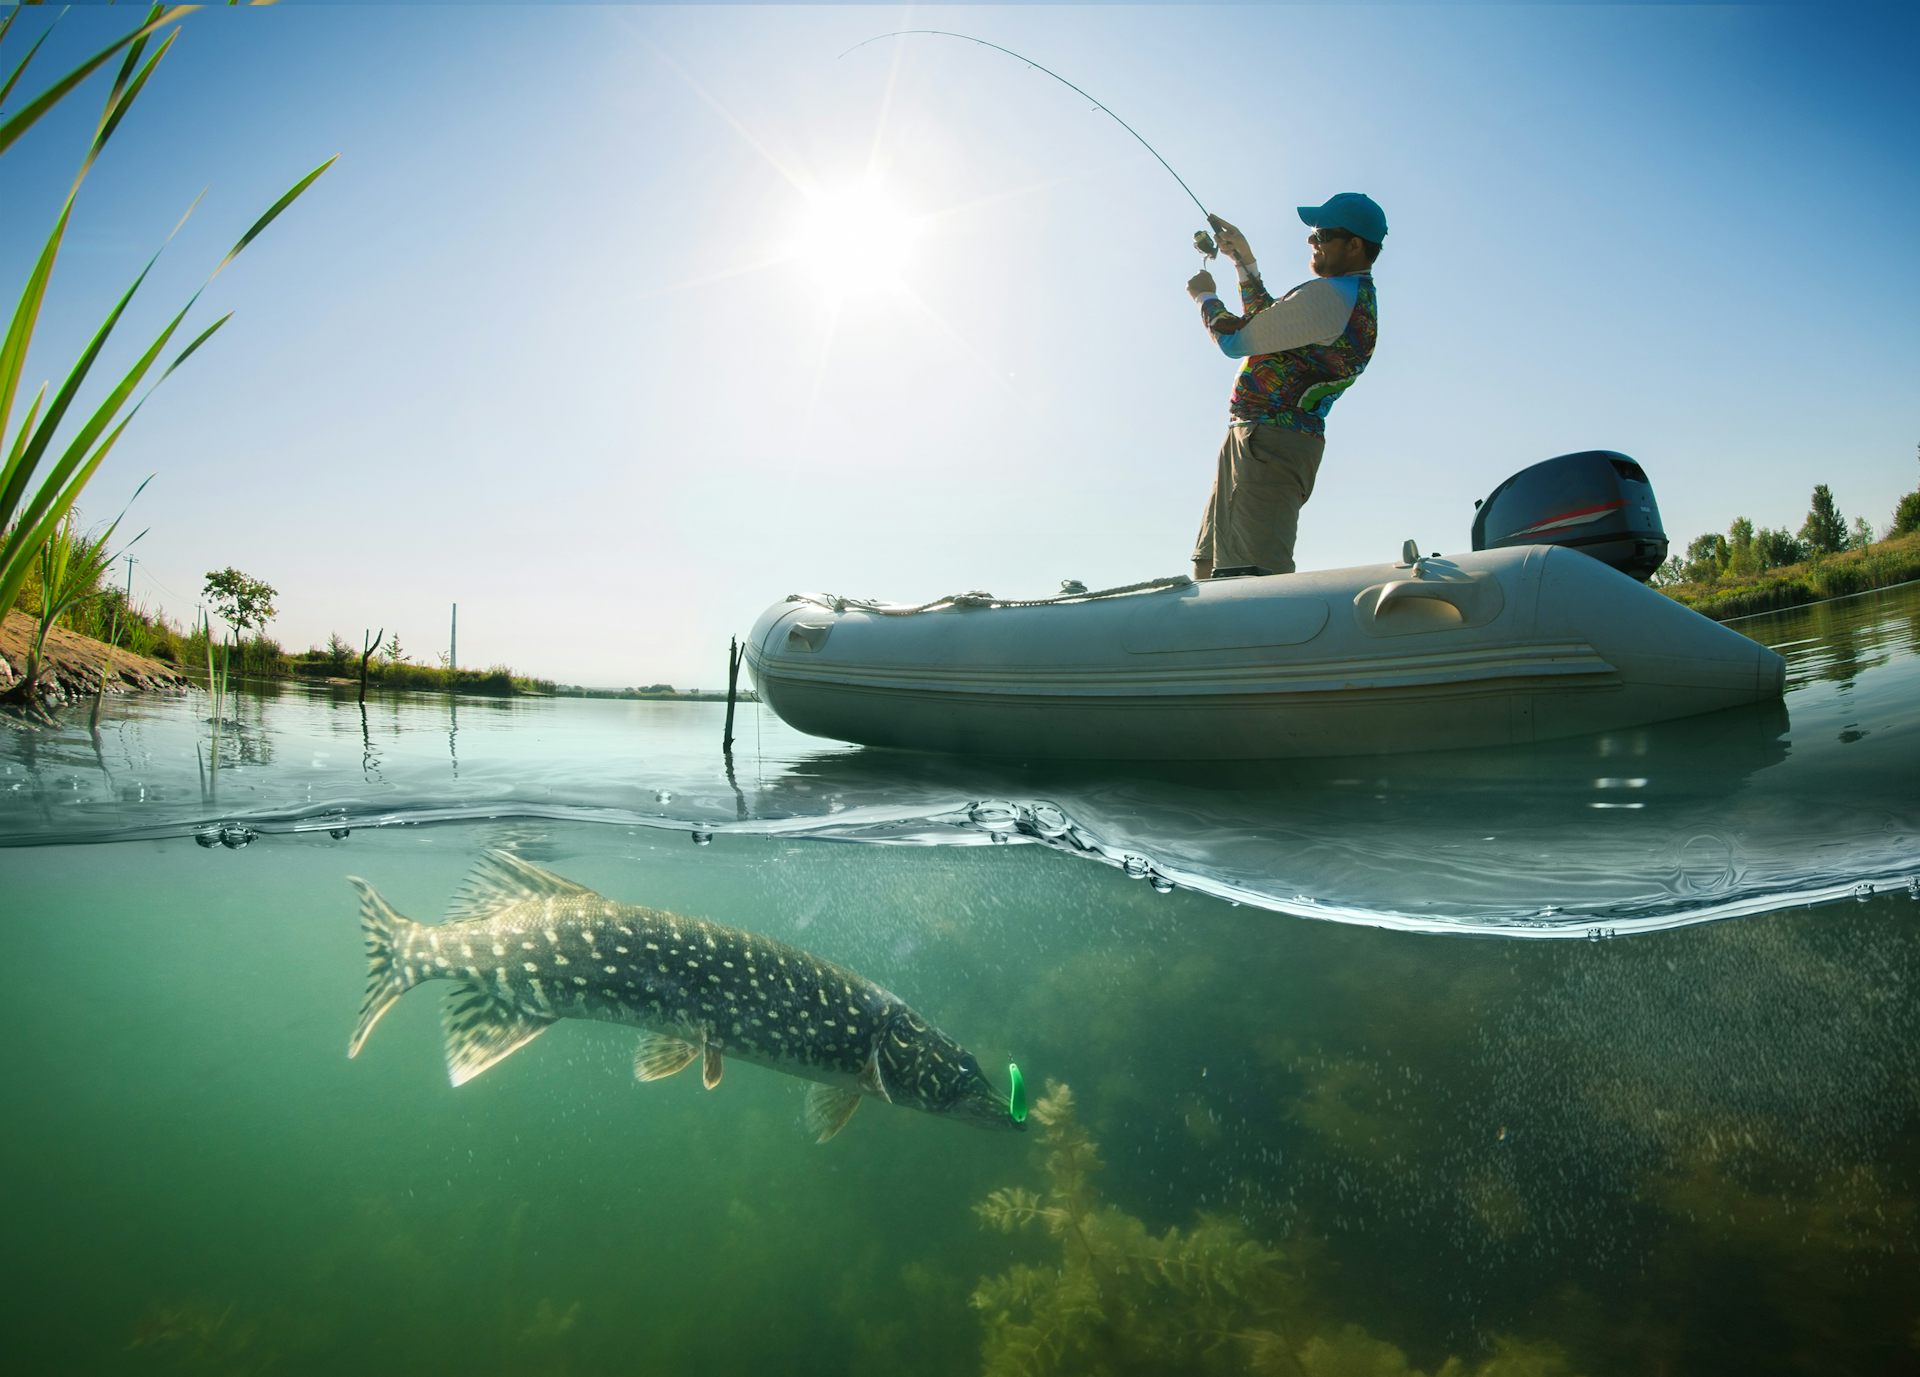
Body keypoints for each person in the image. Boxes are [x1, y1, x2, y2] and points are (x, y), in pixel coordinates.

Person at [1184, 192, 1386, 580]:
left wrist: (1204, 296)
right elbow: (1268, 325)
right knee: (1209, 567)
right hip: (1256, 439)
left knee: (1247, 577)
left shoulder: (1330, 297)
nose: (1311, 241)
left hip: (1270, 445)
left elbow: (1237, 340)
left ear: (1355, 245)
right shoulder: (1340, 295)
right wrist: (1243, 261)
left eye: (1321, 234)